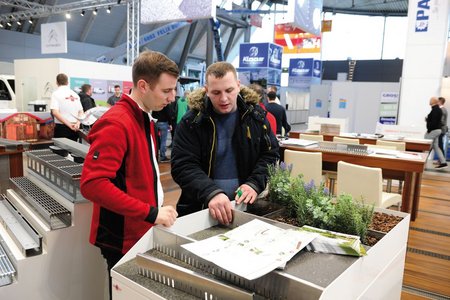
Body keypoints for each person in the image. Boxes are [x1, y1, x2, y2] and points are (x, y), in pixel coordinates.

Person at [80, 50, 179, 299]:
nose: (172, 97)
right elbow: (93, 184)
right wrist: (151, 212)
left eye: (173, 90)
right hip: (122, 237)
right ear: (143, 85)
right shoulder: (117, 122)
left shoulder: (143, 118)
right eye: (166, 91)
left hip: (140, 230)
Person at [171, 62, 279, 224]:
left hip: (246, 207)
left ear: (238, 85)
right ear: (206, 90)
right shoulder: (192, 122)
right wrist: (211, 192)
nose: (223, 98)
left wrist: (254, 183)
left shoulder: (256, 117)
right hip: (201, 208)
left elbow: (270, 154)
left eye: (229, 90)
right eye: (216, 92)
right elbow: (183, 165)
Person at [50, 73, 83, 141]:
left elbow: (55, 112)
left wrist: (69, 125)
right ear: (67, 82)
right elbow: (81, 111)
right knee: (74, 150)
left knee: (61, 150)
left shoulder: (56, 94)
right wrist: (77, 124)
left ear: (57, 82)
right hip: (75, 128)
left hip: (62, 128)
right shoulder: (75, 94)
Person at [425, 97, 447, 169]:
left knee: (426, 145)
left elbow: (435, 122)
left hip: (434, 130)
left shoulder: (436, 110)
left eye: (430, 100)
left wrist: (429, 129)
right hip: (438, 130)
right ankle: (443, 162)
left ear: (434, 101)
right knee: (436, 146)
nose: (429, 101)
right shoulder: (437, 110)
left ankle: (422, 162)